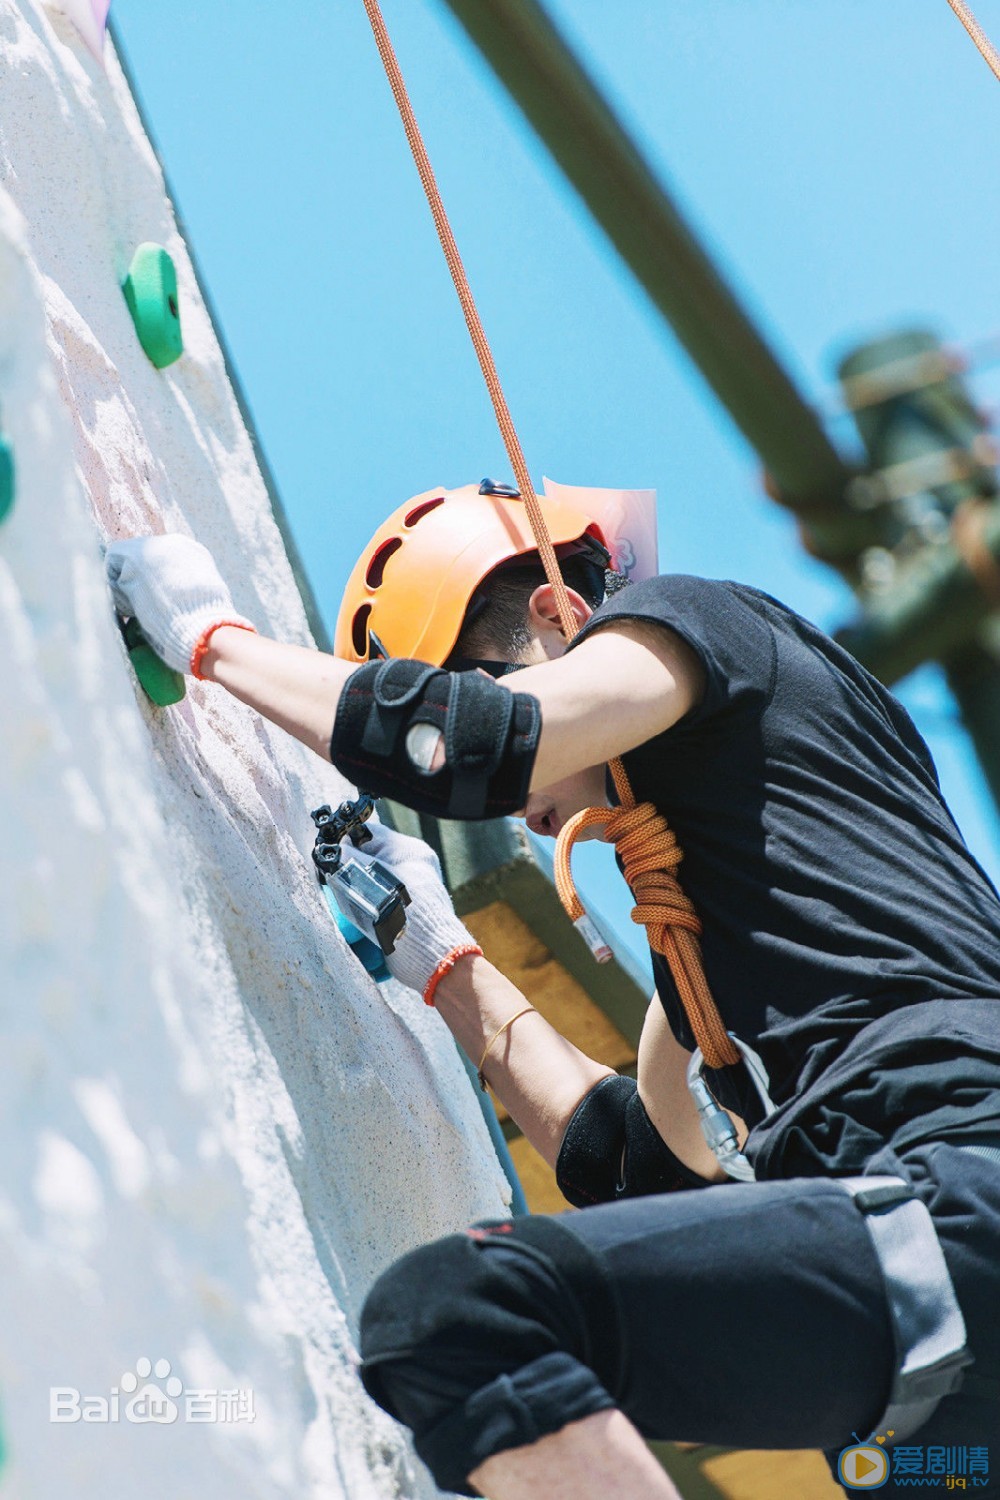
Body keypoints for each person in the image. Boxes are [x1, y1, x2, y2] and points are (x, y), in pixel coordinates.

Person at [107, 482, 1000, 1500]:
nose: (525, 820)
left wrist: (211, 640)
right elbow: (633, 1171)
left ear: (556, 615)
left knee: (462, 1319)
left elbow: (466, 743)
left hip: (963, 1177)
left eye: (465, 674)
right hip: (939, 1402)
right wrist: (435, 957)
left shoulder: (705, 624)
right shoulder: (723, 951)